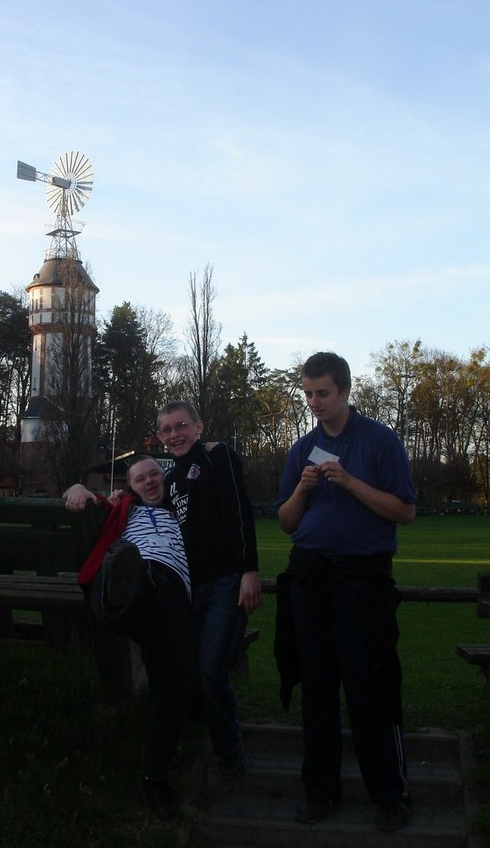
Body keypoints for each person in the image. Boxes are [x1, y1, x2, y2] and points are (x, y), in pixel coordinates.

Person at [275, 352, 415, 833]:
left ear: (345, 391)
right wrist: (301, 490)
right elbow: (286, 523)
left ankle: (390, 796)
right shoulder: (303, 449)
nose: (314, 402)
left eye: (323, 393)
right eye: (308, 394)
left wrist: (351, 483)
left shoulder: (379, 440)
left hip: (362, 579)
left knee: (369, 685)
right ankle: (321, 791)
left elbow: (404, 511)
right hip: (311, 576)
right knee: (317, 688)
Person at [65, 455, 198, 819]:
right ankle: (126, 583)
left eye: (155, 474)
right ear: (131, 487)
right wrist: (77, 487)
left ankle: (154, 774)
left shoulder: (182, 511)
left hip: (169, 588)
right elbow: (91, 500)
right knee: (136, 570)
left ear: (165, 477)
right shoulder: (123, 508)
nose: (150, 481)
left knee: (172, 677)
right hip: (128, 575)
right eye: (140, 479)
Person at [155, 401, 262, 778]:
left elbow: (239, 513)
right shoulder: (171, 478)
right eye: (167, 430)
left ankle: (231, 756)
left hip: (225, 582)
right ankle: (206, 740)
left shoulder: (218, 458)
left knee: (212, 669)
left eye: (181, 426)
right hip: (191, 589)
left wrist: (249, 570)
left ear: (198, 426)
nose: (174, 435)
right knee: (196, 671)